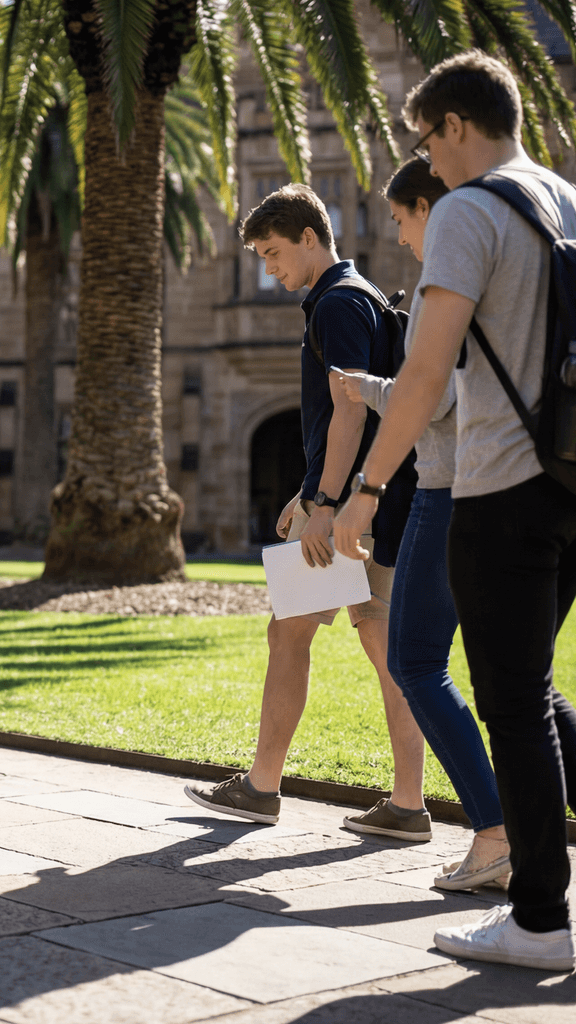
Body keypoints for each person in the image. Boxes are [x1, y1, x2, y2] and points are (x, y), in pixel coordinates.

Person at [334, 50, 576, 971]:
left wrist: (364, 490)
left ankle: (542, 922)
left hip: (501, 485)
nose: (427, 165)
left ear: (459, 126)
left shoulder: (472, 209)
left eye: (428, 141)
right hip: (567, 480)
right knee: (538, 690)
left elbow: (426, 370)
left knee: (510, 699)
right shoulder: (564, 198)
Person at [185, 184, 429, 841]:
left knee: (303, 635)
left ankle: (264, 788)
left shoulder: (337, 303)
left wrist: (325, 503)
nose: (269, 270)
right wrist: (310, 489)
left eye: (273, 253)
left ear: (309, 238)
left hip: (351, 511)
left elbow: (350, 406)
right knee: (380, 650)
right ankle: (406, 802)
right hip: (370, 501)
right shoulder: (360, 296)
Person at [336, 157, 510, 893]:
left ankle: (497, 834)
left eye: (402, 221)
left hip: (450, 489)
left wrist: (362, 392)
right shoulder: (517, 244)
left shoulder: (456, 261)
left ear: (426, 207)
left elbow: (430, 397)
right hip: (512, 485)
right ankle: (508, 832)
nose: (401, 240)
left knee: (416, 663)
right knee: (520, 681)